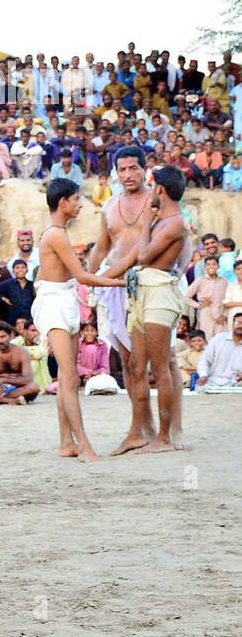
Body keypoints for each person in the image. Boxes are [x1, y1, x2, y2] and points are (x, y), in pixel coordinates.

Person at [34, 179, 127, 462]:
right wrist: (124, 283)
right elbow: (84, 277)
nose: (80, 204)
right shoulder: (56, 235)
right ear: (62, 202)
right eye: (76, 199)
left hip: (64, 298)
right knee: (70, 377)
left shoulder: (58, 233)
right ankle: (84, 446)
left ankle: (67, 442)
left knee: (66, 377)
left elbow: (79, 277)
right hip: (54, 302)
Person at [121, 166, 191, 453]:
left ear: (160, 189)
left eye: (152, 187)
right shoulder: (167, 221)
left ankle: (163, 437)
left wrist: (146, 222)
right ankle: (139, 432)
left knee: (161, 368)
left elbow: (144, 254)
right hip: (144, 289)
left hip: (160, 291)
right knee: (137, 365)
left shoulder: (175, 222)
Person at [91, 147, 155, 454]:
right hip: (115, 285)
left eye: (133, 168)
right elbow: (101, 248)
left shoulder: (156, 201)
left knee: (150, 361)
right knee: (129, 362)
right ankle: (142, 426)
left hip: (148, 282)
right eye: (123, 169)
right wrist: (85, 278)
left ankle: (148, 429)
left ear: (145, 169)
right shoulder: (109, 206)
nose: (128, 175)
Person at [197, 313, 242, 389]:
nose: (241, 326)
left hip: (238, 385)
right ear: (232, 324)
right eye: (238, 323)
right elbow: (205, 360)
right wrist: (203, 375)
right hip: (213, 383)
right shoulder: (218, 339)